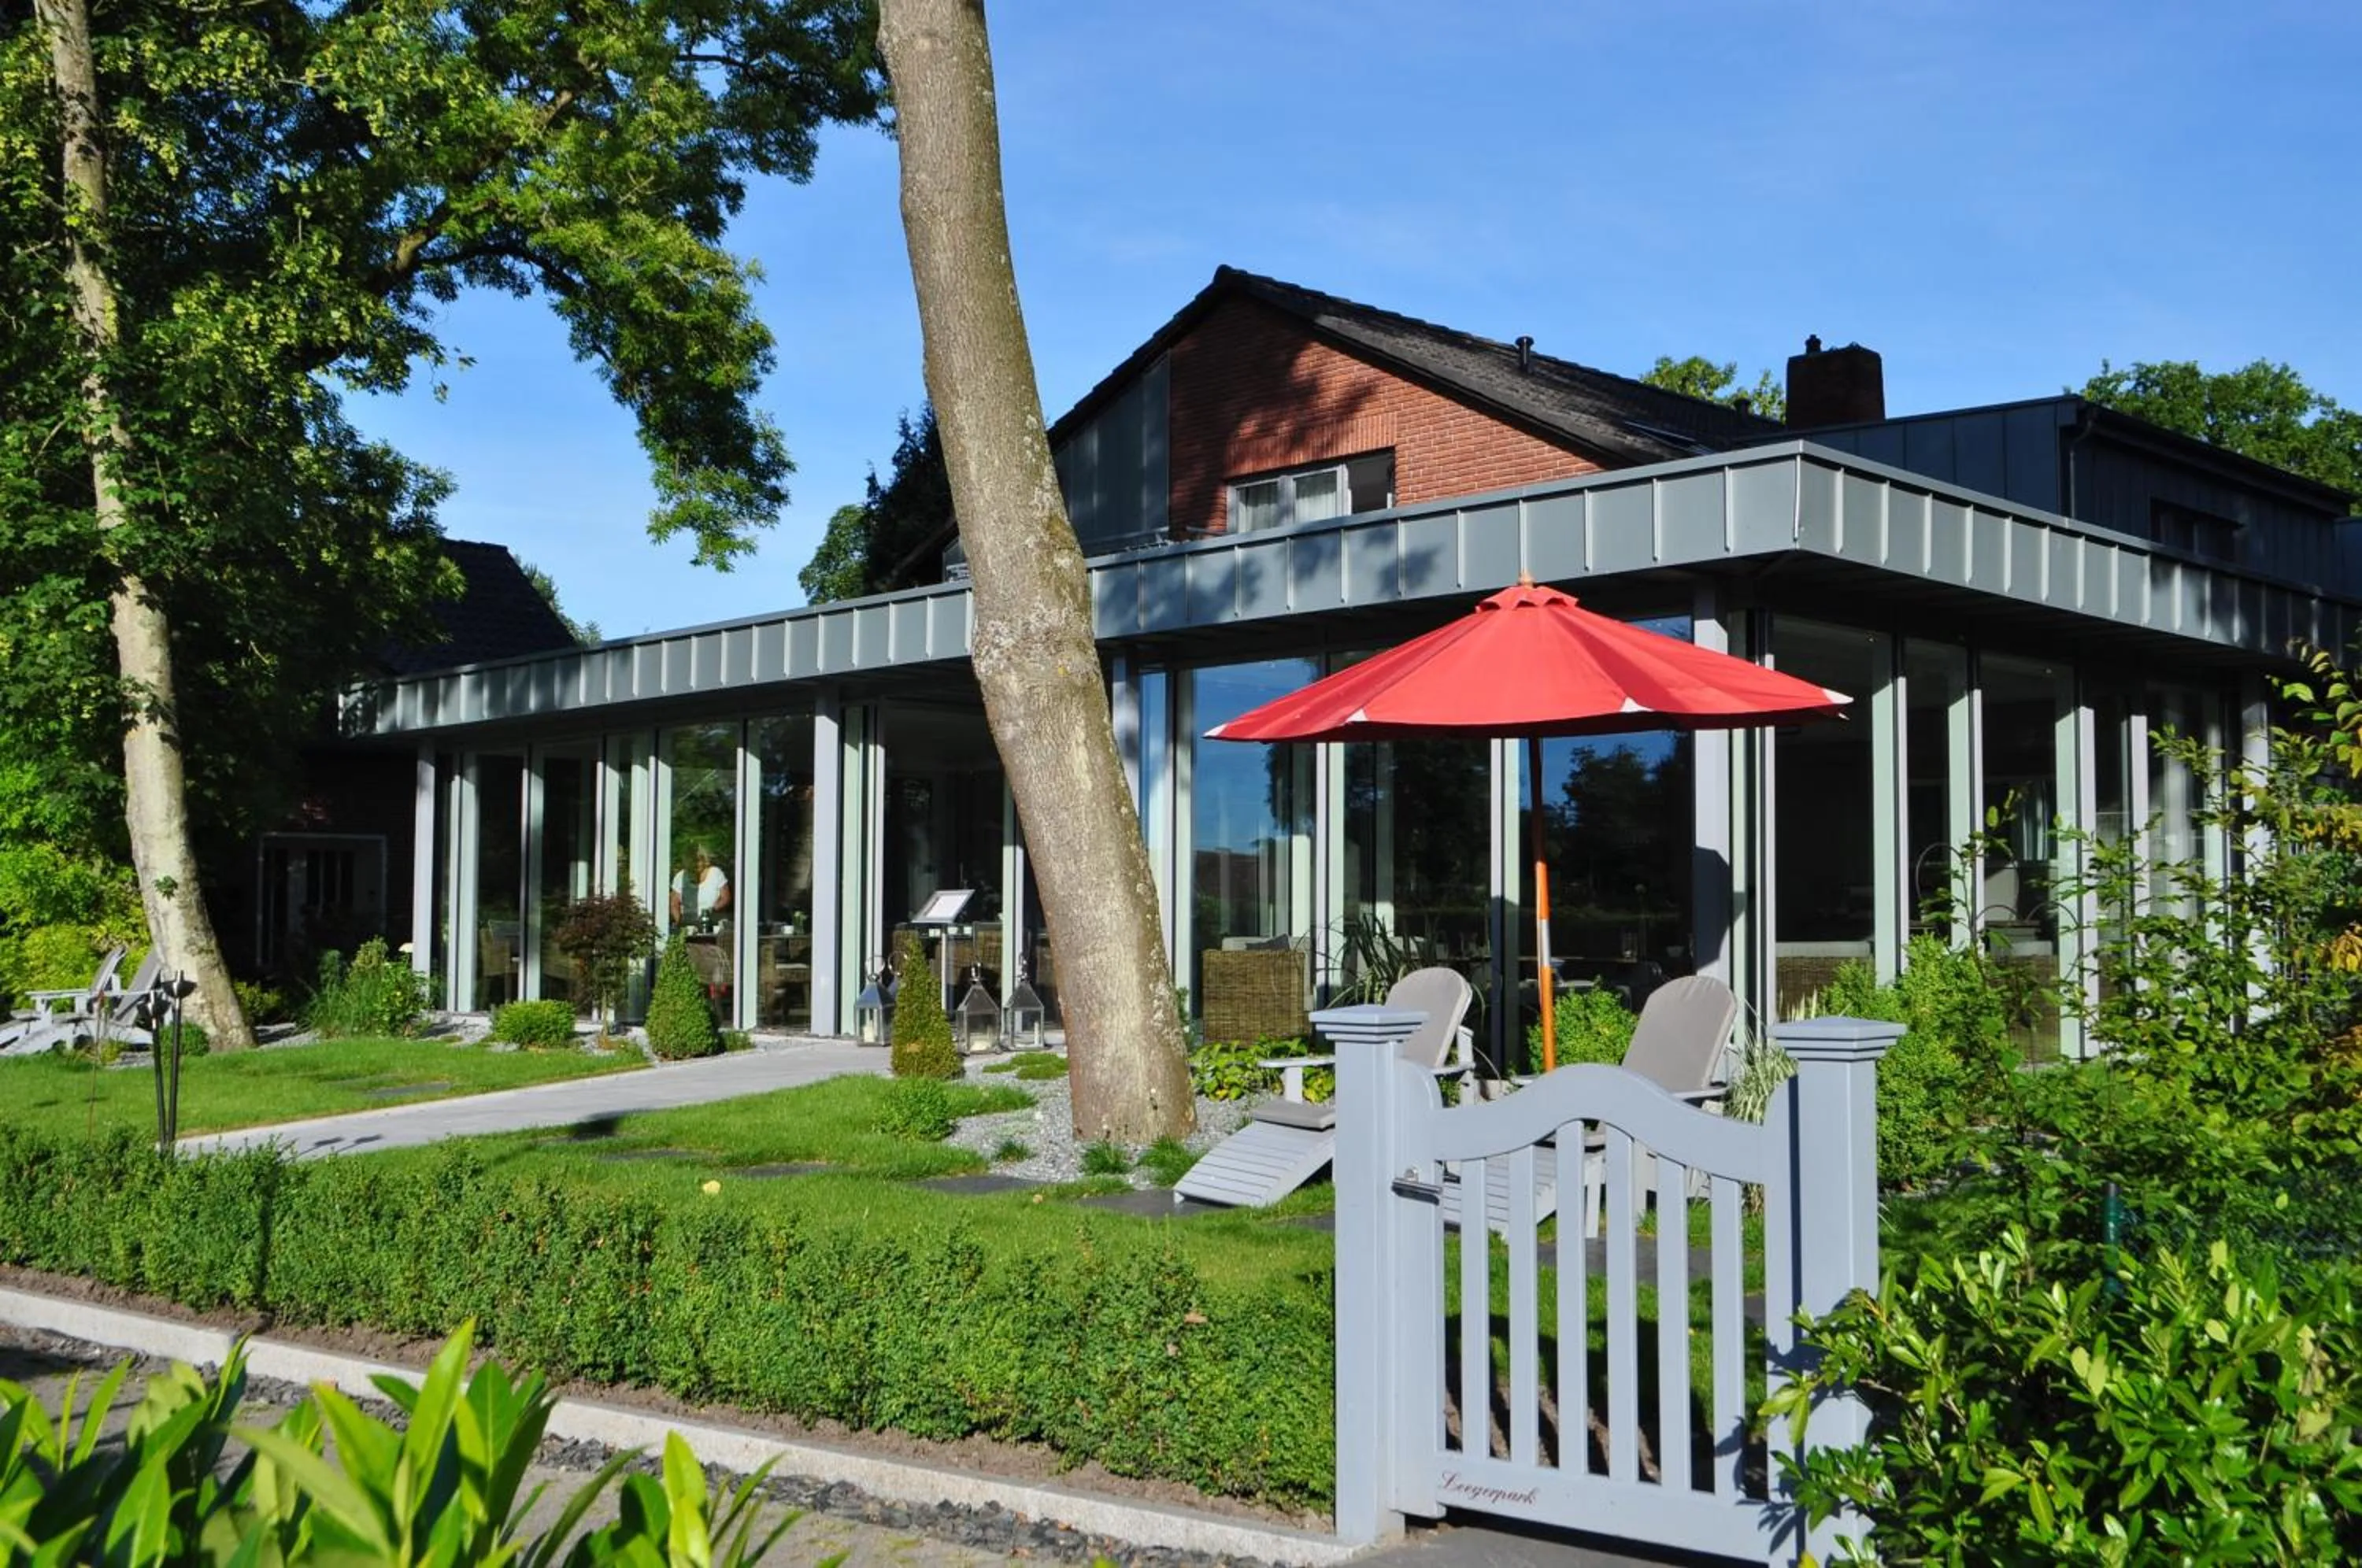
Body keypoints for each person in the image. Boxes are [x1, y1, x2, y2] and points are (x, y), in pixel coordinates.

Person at [670, 843, 732, 929]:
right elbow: (674, 904)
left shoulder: (715, 873)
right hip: (689, 923)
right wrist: (680, 923)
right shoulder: (680, 877)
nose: (696, 864)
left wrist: (714, 908)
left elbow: (726, 898)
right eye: (692, 861)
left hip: (713, 922)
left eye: (698, 861)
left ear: (704, 860)